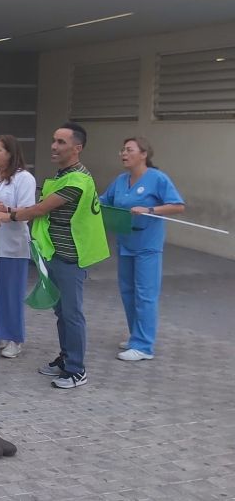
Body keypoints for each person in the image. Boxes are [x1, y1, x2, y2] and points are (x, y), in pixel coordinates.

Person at [0, 122, 109, 389]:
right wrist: (10, 209)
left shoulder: (77, 179)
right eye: (54, 140)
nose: (54, 146)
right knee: (61, 311)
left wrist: (10, 215)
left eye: (61, 142)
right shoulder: (63, 175)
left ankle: (76, 369)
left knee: (72, 313)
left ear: (77, 148)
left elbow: (40, 209)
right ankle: (66, 358)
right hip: (54, 252)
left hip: (72, 255)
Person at [100, 137, 185, 362]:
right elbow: (104, 201)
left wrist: (150, 209)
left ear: (144, 154)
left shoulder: (158, 178)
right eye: (122, 149)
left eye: (129, 150)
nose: (123, 153)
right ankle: (136, 336)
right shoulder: (120, 180)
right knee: (128, 292)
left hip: (148, 245)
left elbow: (178, 206)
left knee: (145, 294)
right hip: (125, 243)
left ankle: (144, 346)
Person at [0, 135, 36, 359]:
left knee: (11, 292)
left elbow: (28, 211)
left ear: (10, 153)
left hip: (12, 245)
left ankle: (15, 338)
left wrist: (8, 210)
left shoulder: (24, 178)